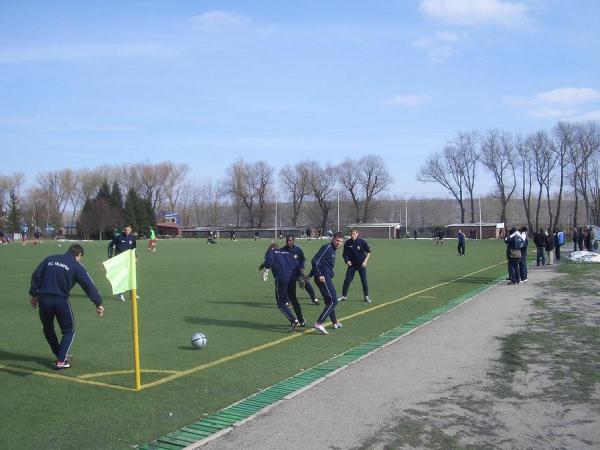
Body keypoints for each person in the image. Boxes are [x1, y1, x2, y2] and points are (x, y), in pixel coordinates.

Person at [29, 244, 104, 370]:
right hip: (60, 301)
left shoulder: (49, 259)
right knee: (69, 331)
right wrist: (98, 303)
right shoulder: (76, 265)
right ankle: (61, 360)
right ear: (78, 255)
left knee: (48, 328)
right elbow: (88, 284)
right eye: (81, 258)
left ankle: (59, 355)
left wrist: (34, 294)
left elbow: (36, 276)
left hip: (44, 300)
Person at [259, 243, 304, 331]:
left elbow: (269, 260)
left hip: (282, 277)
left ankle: (293, 320)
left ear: (270, 248)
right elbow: (297, 265)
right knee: (293, 299)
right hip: (292, 277)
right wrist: (299, 277)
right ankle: (301, 320)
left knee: (281, 303)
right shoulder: (287, 253)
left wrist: (266, 270)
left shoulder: (270, 252)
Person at [310, 232, 344, 334]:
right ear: (333, 239)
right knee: (334, 301)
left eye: (341, 241)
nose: (339, 243)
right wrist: (319, 275)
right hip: (323, 277)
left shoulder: (332, 249)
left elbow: (320, 263)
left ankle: (334, 322)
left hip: (325, 276)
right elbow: (315, 261)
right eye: (337, 240)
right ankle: (319, 323)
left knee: (329, 300)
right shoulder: (327, 248)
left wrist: (310, 275)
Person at [280, 235, 319, 305]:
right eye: (287, 240)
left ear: (293, 241)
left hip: (298, 271)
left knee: (306, 284)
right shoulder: (282, 250)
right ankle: (288, 301)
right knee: (289, 287)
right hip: (288, 273)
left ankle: (314, 299)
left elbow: (303, 259)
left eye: (290, 240)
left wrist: (302, 268)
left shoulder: (298, 249)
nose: (288, 242)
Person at [339, 228, 372, 303]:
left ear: (357, 234)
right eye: (351, 234)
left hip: (361, 265)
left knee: (364, 281)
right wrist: (347, 261)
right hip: (352, 265)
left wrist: (365, 261)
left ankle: (366, 296)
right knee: (347, 280)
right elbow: (344, 254)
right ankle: (344, 296)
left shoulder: (362, 242)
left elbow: (369, 252)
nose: (352, 235)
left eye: (353, 234)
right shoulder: (347, 243)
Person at [107, 225, 137, 301]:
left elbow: (133, 248)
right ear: (124, 230)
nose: (127, 231)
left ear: (131, 230)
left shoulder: (133, 238)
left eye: (128, 230)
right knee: (121, 277)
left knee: (131, 276)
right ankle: (119, 294)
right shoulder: (118, 237)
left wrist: (135, 257)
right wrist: (110, 255)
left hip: (129, 260)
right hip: (119, 260)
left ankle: (132, 293)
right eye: (126, 230)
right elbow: (110, 245)